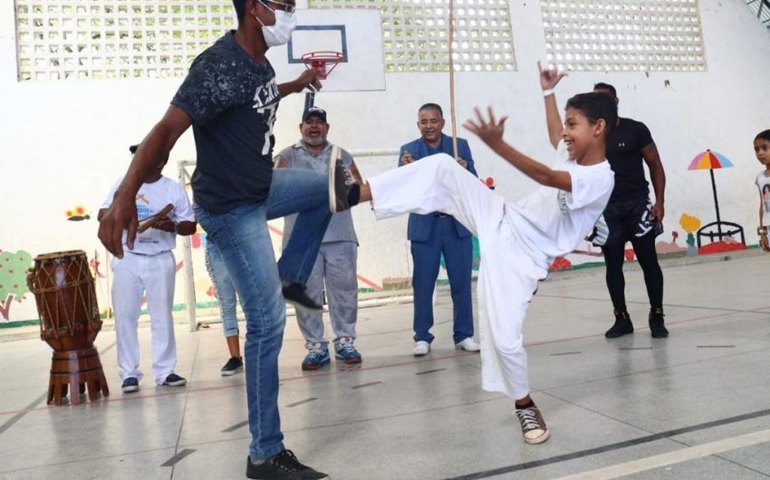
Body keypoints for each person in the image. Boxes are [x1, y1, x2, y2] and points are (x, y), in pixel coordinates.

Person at [97, 1, 359, 478]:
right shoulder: (218, 63)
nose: (292, 11)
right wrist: (123, 197)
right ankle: (264, 453)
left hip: (261, 187)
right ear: (256, 8)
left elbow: (255, 97)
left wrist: (296, 86)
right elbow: (166, 130)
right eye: (285, 5)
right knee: (266, 324)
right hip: (230, 209)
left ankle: (292, 278)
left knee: (331, 188)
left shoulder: (260, 62)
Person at [353, 92, 618, 444]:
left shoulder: (600, 177)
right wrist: (546, 92)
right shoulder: (570, 150)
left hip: (523, 258)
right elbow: (555, 133)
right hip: (502, 215)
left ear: (598, 127)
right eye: (567, 123)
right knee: (443, 167)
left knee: (505, 340)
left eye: (574, 124)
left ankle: (524, 406)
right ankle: (358, 193)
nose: (565, 133)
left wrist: (497, 144)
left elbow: (546, 177)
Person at [539, 63, 668, 339]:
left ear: (616, 101)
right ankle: (621, 318)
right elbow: (558, 141)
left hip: (637, 205)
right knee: (613, 266)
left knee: (649, 262)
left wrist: (660, 202)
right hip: (606, 211)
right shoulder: (588, 134)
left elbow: (655, 164)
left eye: (605, 98)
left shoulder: (636, 130)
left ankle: (657, 314)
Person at [99, 145, 197, 394]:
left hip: (160, 258)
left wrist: (171, 226)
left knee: (162, 316)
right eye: (135, 155)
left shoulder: (172, 189)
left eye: (143, 154)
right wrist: (119, 213)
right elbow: (102, 213)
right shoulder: (124, 184)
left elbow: (189, 225)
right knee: (125, 316)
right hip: (127, 257)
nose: (137, 159)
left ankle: (164, 372)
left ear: (161, 160)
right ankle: (129, 374)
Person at [275, 106, 364, 370]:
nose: (314, 127)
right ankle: (315, 347)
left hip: (340, 236)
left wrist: (342, 192)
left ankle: (345, 341)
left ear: (327, 127)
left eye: (319, 123)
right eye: (309, 123)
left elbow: (358, 189)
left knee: (345, 292)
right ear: (301, 127)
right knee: (308, 295)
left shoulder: (341, 155)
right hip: (301, 239)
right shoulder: (286, 155)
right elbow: (277, 191)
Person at [399, 103, 480, 356]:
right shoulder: (409, 151)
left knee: (461, 283)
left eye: (433, 121)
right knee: (423, 283)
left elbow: (474, 182)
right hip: (425, 227)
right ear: (418, 125)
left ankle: (464, 335)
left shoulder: (459, 146)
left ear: (443, 122)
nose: (429, 126)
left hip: (456, 226)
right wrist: (408, 169)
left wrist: (464, 169)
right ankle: (422, 337)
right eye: (424, 122)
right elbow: (403, 187)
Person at [205, 239, 244, 376]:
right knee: (227, 304)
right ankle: (235, 357)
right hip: (217, 245)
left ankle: (258, 353)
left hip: (243, 242)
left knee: (251, 303)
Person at [753, 129, 770, 252]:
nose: (760, 153)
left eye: (765, 148)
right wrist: (762, 232)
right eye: (757, 149)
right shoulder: (760, 177)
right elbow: (762, 206)